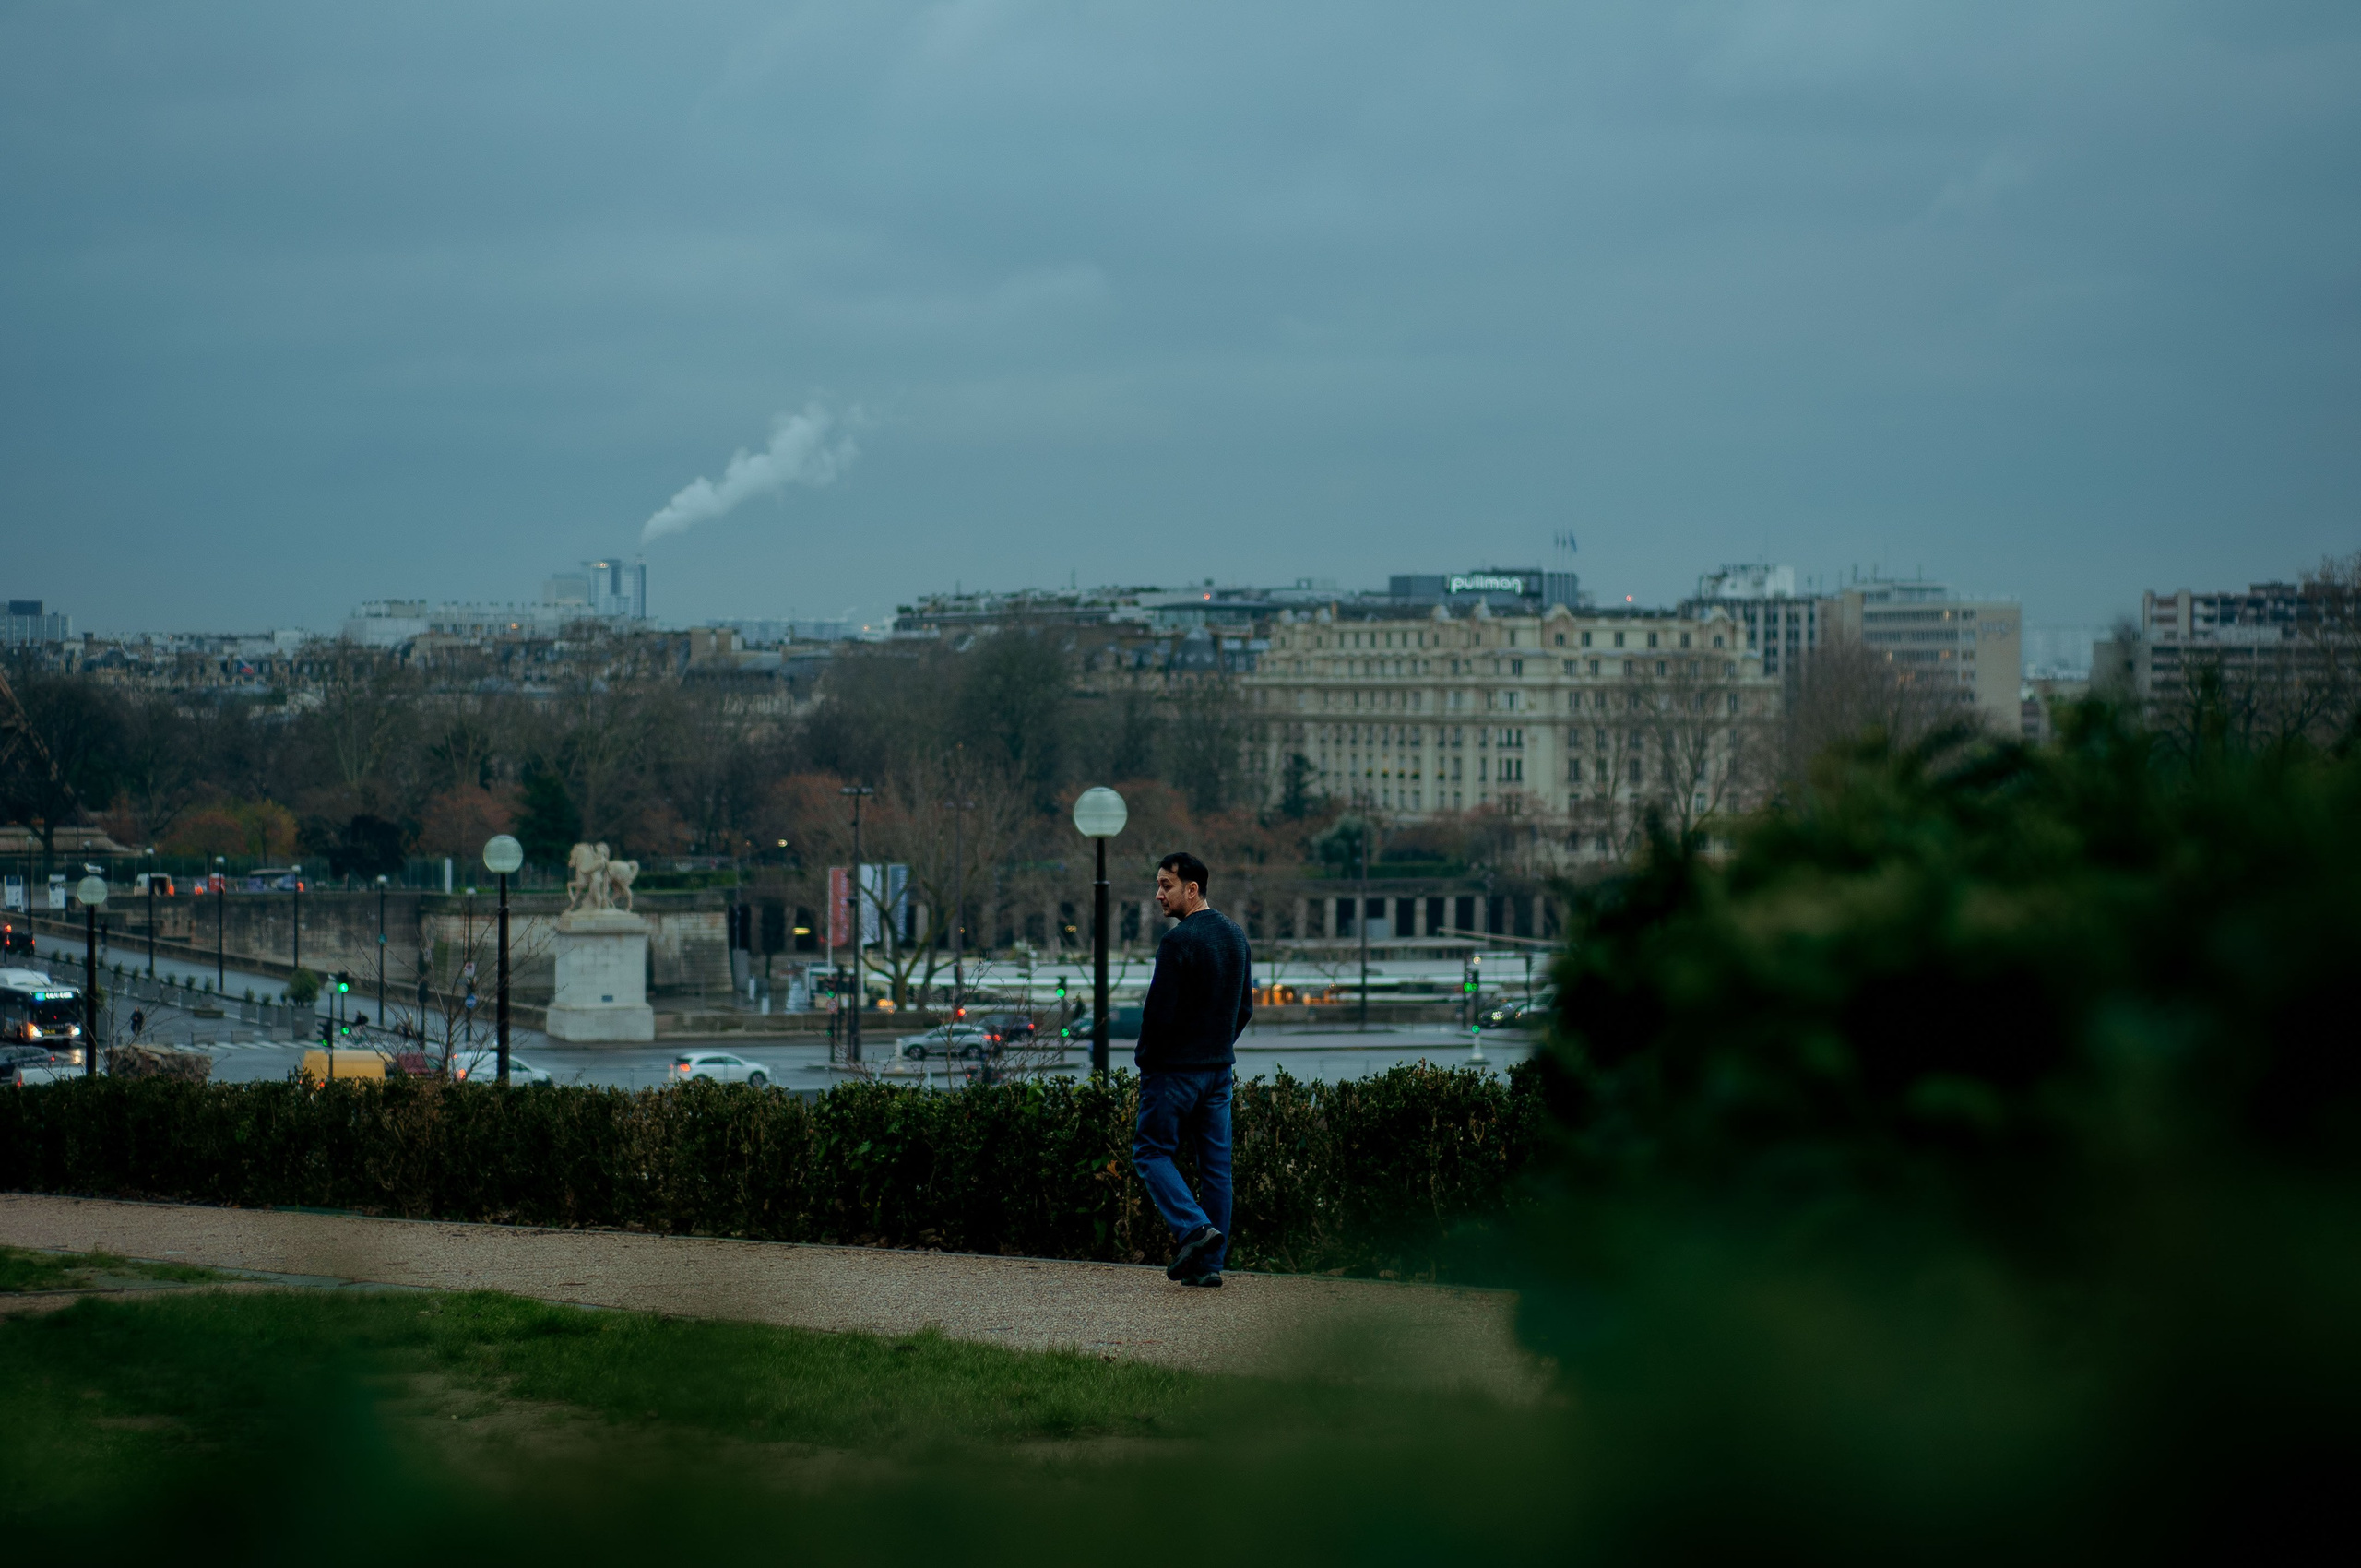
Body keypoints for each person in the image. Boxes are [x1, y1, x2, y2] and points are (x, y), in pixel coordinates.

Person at [1132, 849, 1253, 1288]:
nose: (1158, 894)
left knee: (1149, 1152)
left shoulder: (1177, 943)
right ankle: (1209, 1266)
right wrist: (1217, 1046)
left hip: (1173, 1072)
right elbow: (1245, 1008)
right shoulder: (1236, 936)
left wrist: (1147, 1059)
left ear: (1192, 889)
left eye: (1166, 885)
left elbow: (1157, 1015)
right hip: (1219, 1071)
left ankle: (1193, 1229)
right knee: (1217, 1170)